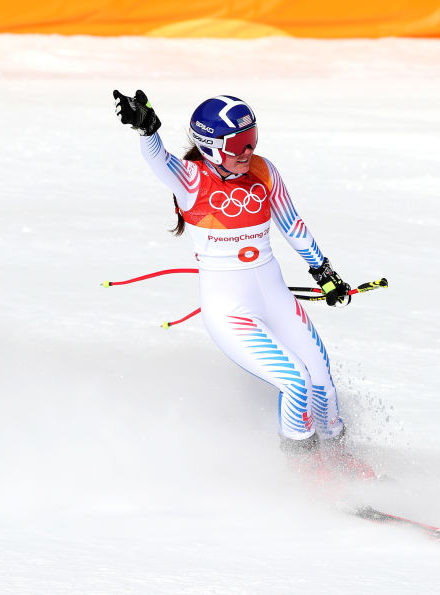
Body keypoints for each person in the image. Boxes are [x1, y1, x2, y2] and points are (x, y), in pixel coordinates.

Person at [112, 89, 369, 474]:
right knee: (295, 382)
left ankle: (338, 456)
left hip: (275, 296)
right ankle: (305, 473)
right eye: (236, 144)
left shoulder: (263, 171)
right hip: (232, 311)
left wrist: (323, 271)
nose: (247, 151)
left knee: (321, 380)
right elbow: (160, 162)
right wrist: (148, 131)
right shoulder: (192, 180)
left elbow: (291, 223)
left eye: (251, 140)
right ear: (212, 147)